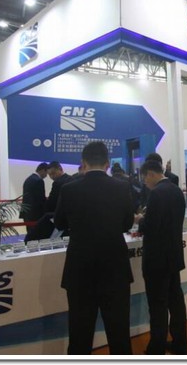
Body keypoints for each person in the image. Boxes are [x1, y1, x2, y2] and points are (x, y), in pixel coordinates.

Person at [54, 141, 134, 355]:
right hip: (115, 268)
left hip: (80, 269)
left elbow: (59, 223)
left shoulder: (69, 189)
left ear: (84, 162)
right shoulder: (121, 187)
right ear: (107, 163)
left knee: (79, 334)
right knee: (119, 333)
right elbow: (127, 224)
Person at [135, 159, 187, 355]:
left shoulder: (157, 193)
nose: (144, 183)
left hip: (157, 259)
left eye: (144, 178)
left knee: (158, 305)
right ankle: (180, 343)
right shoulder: (176, 190)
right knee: (176, 302)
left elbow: (151, 226)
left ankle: (156, 349)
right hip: (173, 255)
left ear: (151, 173)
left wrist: (140, 221)